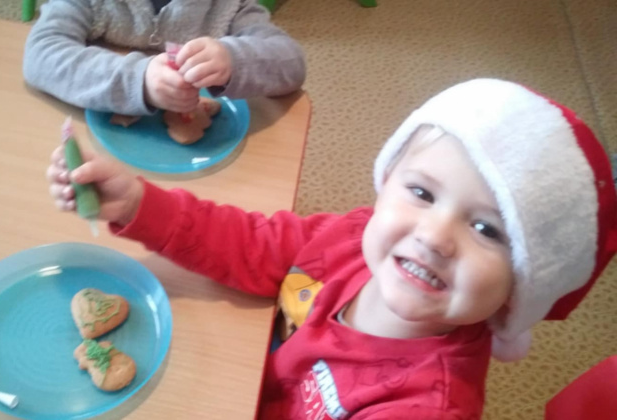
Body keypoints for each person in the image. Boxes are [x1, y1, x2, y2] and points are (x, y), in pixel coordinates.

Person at [46, 78, 617, 419]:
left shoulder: (424, 405)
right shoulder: (350, 238)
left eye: (488, 230)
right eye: (422, 193)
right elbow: (248, 244)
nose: (434, 236)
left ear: (523, 286)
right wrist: (138, 204)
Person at [23, 0, 306, 116]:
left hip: (202, 176)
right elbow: (41, 53)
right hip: (102, 145)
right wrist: (138, 80)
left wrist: (234, 58)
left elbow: (292, 63)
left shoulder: (231, 6)